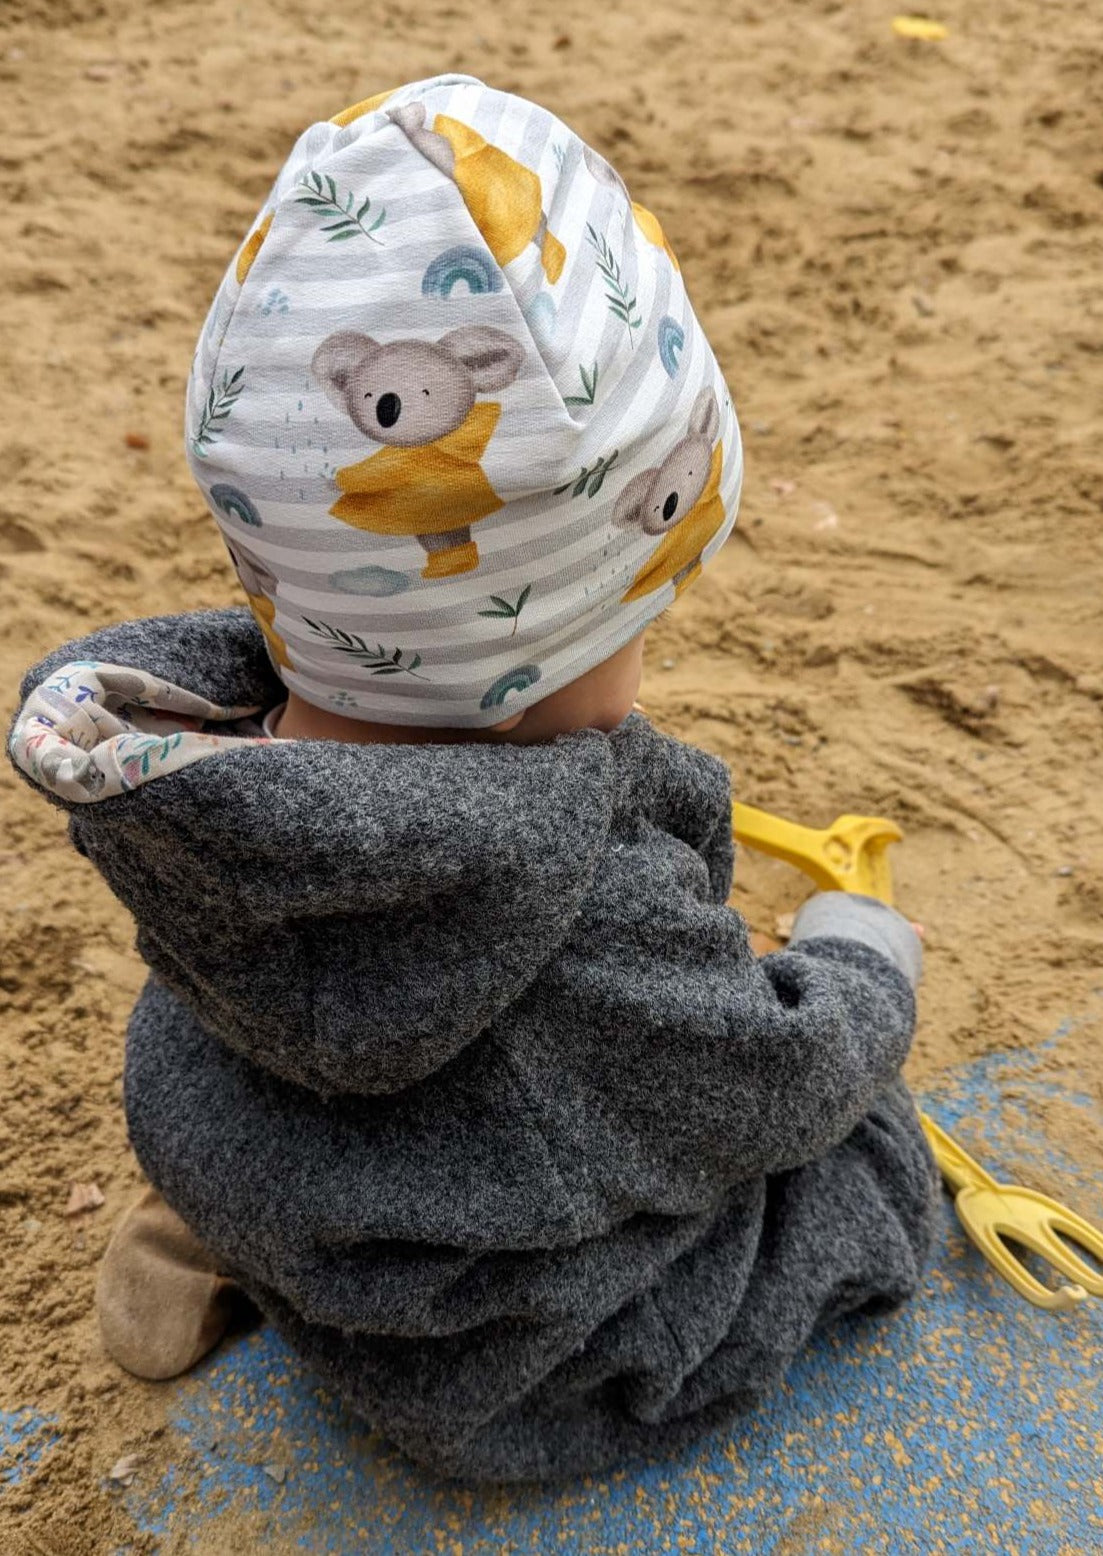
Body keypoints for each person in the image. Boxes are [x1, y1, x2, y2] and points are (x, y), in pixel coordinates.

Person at [8, 75, 935, 1482]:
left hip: (286, 1190)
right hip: (497, 1368)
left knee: (310, 1085)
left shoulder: (203, 778)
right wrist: (862, 965)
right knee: (865, 1183)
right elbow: (771, 1088)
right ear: (565, 623)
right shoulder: (573, 912)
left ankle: (203, 1244)